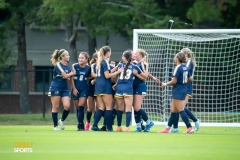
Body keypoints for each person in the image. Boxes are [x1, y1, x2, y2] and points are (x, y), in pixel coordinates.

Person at [158, 52, 194, 134]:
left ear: (177, 59)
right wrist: (183, 82)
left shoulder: (177, 67)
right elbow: (190, 79)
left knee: (181, 110)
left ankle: (189, 128)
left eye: (175, 57)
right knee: (173, 110)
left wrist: (165, 84)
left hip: (178, 90)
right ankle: (167, 128)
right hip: (183, 89)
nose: (174, 59)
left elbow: (174, 81)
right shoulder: (185, 67)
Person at [91, 46, 123, 131]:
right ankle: (109, 127)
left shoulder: (100, 61)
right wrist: (118, 71)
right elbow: (107, 75)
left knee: (101, 107)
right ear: (108, 52)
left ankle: (94, 125)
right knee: (109, 107)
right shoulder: (105, 62)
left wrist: (115, 68)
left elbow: (106, 72)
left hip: (98, 87)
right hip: (105, 86)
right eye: (110, 52)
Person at [114, 50, 145, 132]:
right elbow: (145, 76)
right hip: (128, 89)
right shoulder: (135, 66)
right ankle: (127, 127)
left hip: (119, 88)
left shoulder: (120, 64)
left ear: (124, 58)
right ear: (131, 58)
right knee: (128, 109)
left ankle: (119, 127)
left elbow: (113, 72)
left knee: (120, 109)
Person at [170, 48, 200, 132]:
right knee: (176, 107)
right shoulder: (184, 63)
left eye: (181, 53)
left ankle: (195, 120)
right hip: (182, 87)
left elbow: (187, 76)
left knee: (181, 108)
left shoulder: (189, 62)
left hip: (186, 87)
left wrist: (178, 80)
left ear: (186, 54)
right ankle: (175, 128)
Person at [48, 49, 75, 131]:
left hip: (64, 88)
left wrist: (74, 88)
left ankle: (62, 120)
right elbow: (66, 76)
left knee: (67, 106)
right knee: (55, 107)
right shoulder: (58, 65)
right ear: (62, 57)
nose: (68, 56)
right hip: (56, 87)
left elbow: (69, 77)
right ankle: (55, 126)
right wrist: (71, 73)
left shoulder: (67, 65)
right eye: (67, 55)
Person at [132, 49, 154, 132]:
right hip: (134, 86)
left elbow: (145, 76)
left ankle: (148, 122)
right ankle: (138, 127)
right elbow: (147, 74)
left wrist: (137, 74)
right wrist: (153, 77)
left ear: (140, 55)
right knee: (135, 107)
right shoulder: (136, 63)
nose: (134, 54)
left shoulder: (143, 64)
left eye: (136, 53)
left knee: (137, 107)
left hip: (140, 86)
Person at [71, 52, 91, 131]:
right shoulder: (74, 66)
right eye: (79, 58)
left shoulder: (89, 68)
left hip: (84, 89)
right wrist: (74, 89)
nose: (80, 59)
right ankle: (80, 123)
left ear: (86, 59)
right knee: (77, 108)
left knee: (81, 106)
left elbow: (90, 76)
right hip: (75, 88)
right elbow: (71, 78)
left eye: (82, 58)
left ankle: (79, 126)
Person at [85, 52, 98, 130]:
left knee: (98, 108)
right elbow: (86, 77)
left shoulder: (102, 66)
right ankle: (88, 122)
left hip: (98, 89)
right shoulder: (91, 67)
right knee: (90, 108)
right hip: (91, 88)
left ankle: (95, 124)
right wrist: (93, 79)